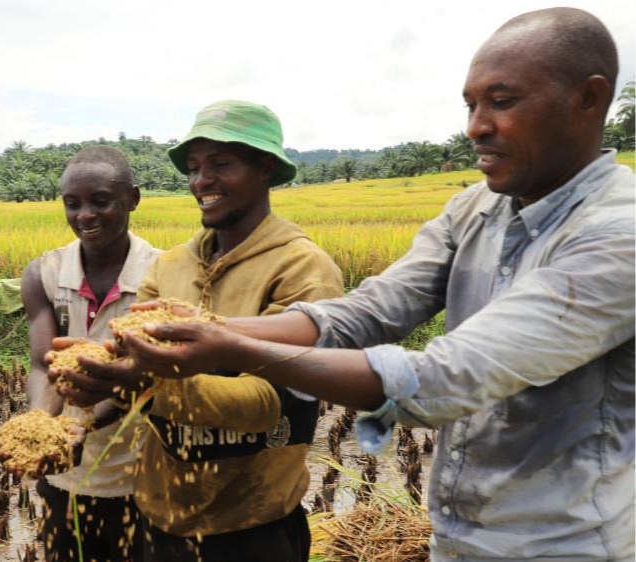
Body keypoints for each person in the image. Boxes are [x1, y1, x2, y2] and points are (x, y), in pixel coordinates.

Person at [114, 8, 636, 561]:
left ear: (589, 99)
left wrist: (232, 347)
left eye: (501, 102)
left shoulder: (617, 236)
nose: (476, 126)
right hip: (457, 540)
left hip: (566, 547)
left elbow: (445, 376)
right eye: (471, 105)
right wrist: (200, 329)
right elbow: (367, 311)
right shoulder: (473, 210)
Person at [57, 101, 344, 561]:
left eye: (220, 164)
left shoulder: (302, 269)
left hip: (251, 526)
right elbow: (130, 367)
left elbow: (266, 405)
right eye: (193, 168)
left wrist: (137, 382)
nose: (200, 181)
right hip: (159, 517)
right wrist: (88, 401)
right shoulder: (169, 267)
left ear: (265, 168)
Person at [8, 145, 159, 562]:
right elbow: (43, 365)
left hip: (143, 476)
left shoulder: (161, 275)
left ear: (133, 199)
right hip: (65, 477)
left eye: (101, 201)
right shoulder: (45, 273)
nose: (85, 215)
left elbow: (153, 380)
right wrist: (42, 425)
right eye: (72, 204)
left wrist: (84, 425)